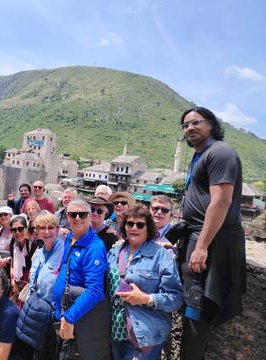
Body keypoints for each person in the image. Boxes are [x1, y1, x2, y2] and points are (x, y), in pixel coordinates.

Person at [179, 107, 246, 360]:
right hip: (197, 236)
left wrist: (202, 246)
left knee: (199, 309)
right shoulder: (200, 155)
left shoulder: (220, 152)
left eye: (196, 122)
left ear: (211, 124)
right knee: (191, 306)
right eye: (185, 125)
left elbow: (220, 202)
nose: (190, 128)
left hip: (213, 242)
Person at [107, 206, 183, 359]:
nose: (134, 228)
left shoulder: (161, 256)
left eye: (140, 224)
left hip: (143, 335)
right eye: (130, 224)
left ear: (148, 228)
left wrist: (146, 299)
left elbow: (175, 298)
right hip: (114, 331)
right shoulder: (114, 252)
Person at [52, 199, 110, 359]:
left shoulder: (94, 248)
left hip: (77, 320)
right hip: (63, 316)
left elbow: (95, 291)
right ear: (67, 217)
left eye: (82, 214)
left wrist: (70, 317)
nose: (77, 218)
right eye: (72, 214)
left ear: (90, 216)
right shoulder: (69, 239)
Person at [16, 211, 64, 359]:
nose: (47, 231)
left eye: (51, 227)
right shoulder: (39, 252)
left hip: (52, 314)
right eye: (42, 228)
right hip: (35, 310)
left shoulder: (65, 251)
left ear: (57, 229)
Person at [9, 215, 37, 304]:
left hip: (29, 281)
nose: (17, 232)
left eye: (20, 229)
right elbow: (12, 264)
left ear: (26, 228)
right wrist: (13, 281)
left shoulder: (33, 244)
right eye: (14, 230)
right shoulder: (13, 243)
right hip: (17, 279)